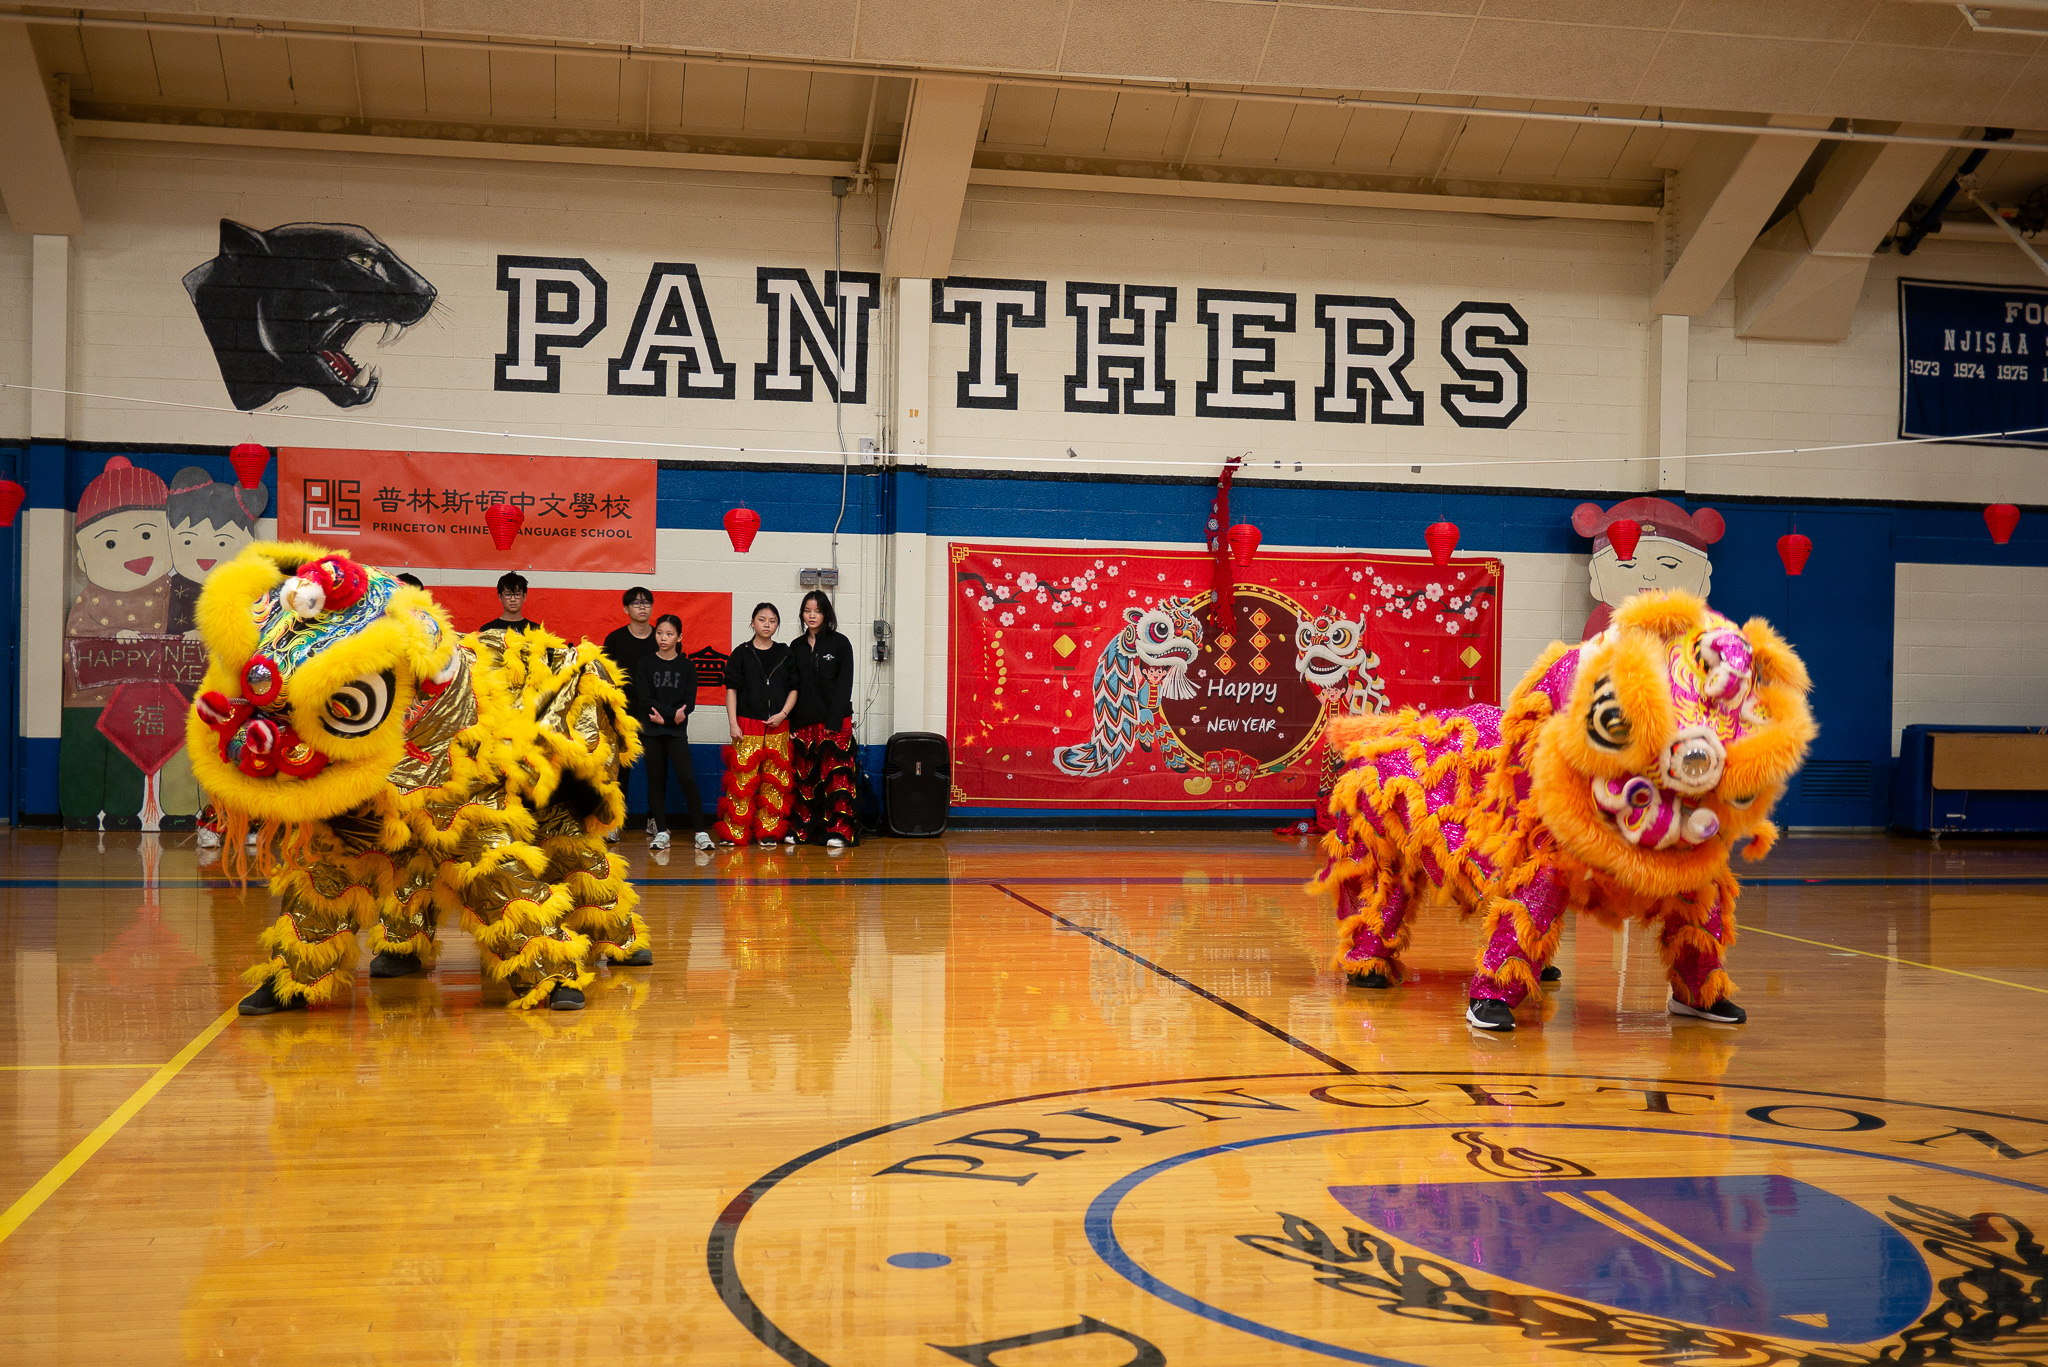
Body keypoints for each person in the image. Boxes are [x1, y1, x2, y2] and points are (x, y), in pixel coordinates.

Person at [713, 602, 796, 848]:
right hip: (747, 723)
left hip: (778, 724)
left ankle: (768, 832)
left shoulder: (785, 653)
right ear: (752, 622)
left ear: (777, 624)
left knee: (774, 780)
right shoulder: (741, 653)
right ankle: (734, 833)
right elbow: (731, 690)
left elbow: (794, 689)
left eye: (772, 620)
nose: (767, 624)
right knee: (742, 780)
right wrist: (733, 723)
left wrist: (783, 714)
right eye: (762, 619)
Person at [635, 614, 711, 853]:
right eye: (659, 633)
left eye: (669, 634)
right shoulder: (646, 663)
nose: (663, 638)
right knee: (656, 781)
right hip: (652, 731)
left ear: (679, 637)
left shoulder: (687, 666)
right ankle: (661, 831)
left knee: (686, 778)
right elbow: (645, 699)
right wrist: (670, 716)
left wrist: (670, 717)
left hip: (677, 733)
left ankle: (700, 831)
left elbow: (689, 701)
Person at [787, 590, 858, 849]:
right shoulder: (795, 647)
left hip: (834, 722)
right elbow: (791, 687)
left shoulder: (840, 643)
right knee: (806, 780)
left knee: (836, 778)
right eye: (807, 611)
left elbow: (844, 683)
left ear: (826, 613)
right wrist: (792, 723)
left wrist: (834, 720)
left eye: (817, 610)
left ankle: (839, 831)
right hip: (804, 722)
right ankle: (803, 830)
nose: (812, 615)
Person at [602, 587, 659, 843]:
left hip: (654, 714)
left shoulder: (661, 636)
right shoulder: (614, 639)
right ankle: (614, 822)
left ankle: (654, 818)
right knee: (620, 770)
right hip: (622, 714)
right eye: (636, 603)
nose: (642, 607)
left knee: (656, 768)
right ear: (626, 609)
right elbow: (603, 678)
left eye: (646, 603)